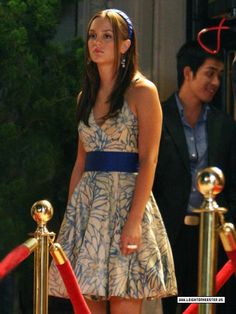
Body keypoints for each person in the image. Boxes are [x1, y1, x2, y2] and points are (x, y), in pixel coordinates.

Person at [48, 9, 177, 314]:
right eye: (93, 35)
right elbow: (81, 161)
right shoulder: (85, 97)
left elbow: (149, 159)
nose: (97, 42)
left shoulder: (143, 91)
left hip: (126, 205)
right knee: (85, 306)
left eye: (108, 36)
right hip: (88, 209)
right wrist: (72, 222)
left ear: (125, 45)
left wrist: (133, 223)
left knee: (124, 302)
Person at [152, 40, 236, 314]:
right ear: (188, 73)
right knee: (178, 307)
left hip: (213, 235)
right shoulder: (158, 118)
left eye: (220, 76)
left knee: (212, 305)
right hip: (173, 236)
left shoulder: (224, 125)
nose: (215, 82)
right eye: (210, 73)